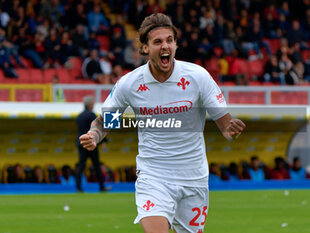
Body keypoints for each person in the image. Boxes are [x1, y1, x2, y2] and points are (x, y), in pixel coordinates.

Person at [79, 13, 245, 233]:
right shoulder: (130, 84)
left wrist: (231, 130)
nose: (165, 45)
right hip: (153, 175)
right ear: (145, 48)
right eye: (158, 42)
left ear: (175, 44)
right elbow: (104, 123)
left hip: (193, 177)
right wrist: (94, 135)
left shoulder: (198, 77)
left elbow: (225, 125)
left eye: (169, 40)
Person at [76, 95, 107, 192]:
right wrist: (103, 141)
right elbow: (98, 129)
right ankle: (101, 187)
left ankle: (78, 187)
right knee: (97, 166)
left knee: (81, 166)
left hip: (81, 143)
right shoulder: (92, 115)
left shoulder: (79, 116)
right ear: (90, 105)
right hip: (91, 143)